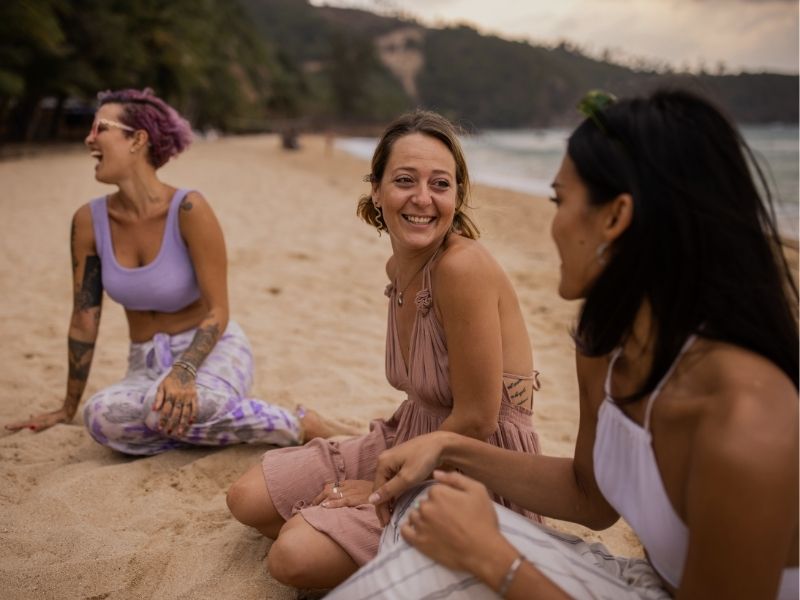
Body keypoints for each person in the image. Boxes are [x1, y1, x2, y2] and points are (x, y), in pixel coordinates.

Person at [327, 89, 800, 599]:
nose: (552, 224)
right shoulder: (607, 346)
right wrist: (446, 446)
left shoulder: (745, 420)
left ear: (614, 217)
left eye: (559, 201)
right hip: (642, 584)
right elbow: (588, 499)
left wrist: (495, 559)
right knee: (424, 510)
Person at [226, 110, 544, 590]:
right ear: (376, 190)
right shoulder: (399, 268)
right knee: (246, 499)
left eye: (440, 184)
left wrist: (379, 488)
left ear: (457, 196)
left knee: (293, 555)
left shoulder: (463, 269)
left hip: (474, 462)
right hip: (409, 434)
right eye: (405, 180)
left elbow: (479, 419)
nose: (423, 198)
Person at [4, 88, 350, 454]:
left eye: (100, 128)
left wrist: (185, 371)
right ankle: (211, 422)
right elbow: (84, 320)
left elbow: (219, 310)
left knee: (161, 409)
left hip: (211, 352)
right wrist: (67, 407)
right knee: (101, 417)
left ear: (137, 139)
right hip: (144, 364)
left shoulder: (189, 209)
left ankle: (301, 424)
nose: (89, 138)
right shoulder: (88, 221)